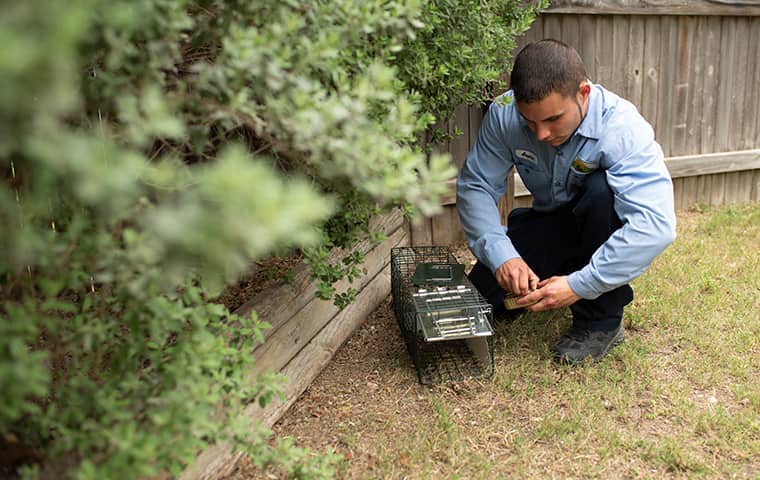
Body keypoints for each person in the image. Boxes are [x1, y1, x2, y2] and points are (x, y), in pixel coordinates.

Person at [456, 39, 677, 364]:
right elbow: (476, 186)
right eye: (529, 122)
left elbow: (655, 227)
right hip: (550, 220)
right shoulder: (504, 115)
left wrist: (579, 284)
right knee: (486, 299)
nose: (541, 134)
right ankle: (547, 274)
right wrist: (504, 257)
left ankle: (600, 321)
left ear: (583, 93)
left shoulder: (622, 127)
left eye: (553, 119)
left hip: (600, 223)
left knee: (602, 191)